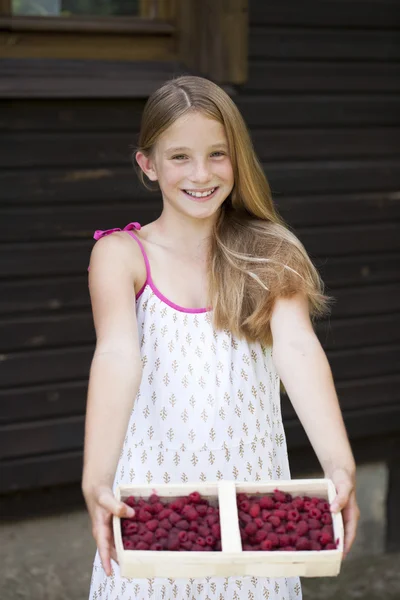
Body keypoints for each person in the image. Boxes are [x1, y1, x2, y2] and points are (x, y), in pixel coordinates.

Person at [83, 75, 360, 600]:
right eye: (180, 157)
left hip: (256, 523)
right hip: (156, 522)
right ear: (148, 165)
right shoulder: (120, 256)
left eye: (217, 154)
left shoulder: (269, 254)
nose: (202, 173)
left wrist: (340, 466)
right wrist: (95, 480)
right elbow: (117, 355)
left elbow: (299, 349)